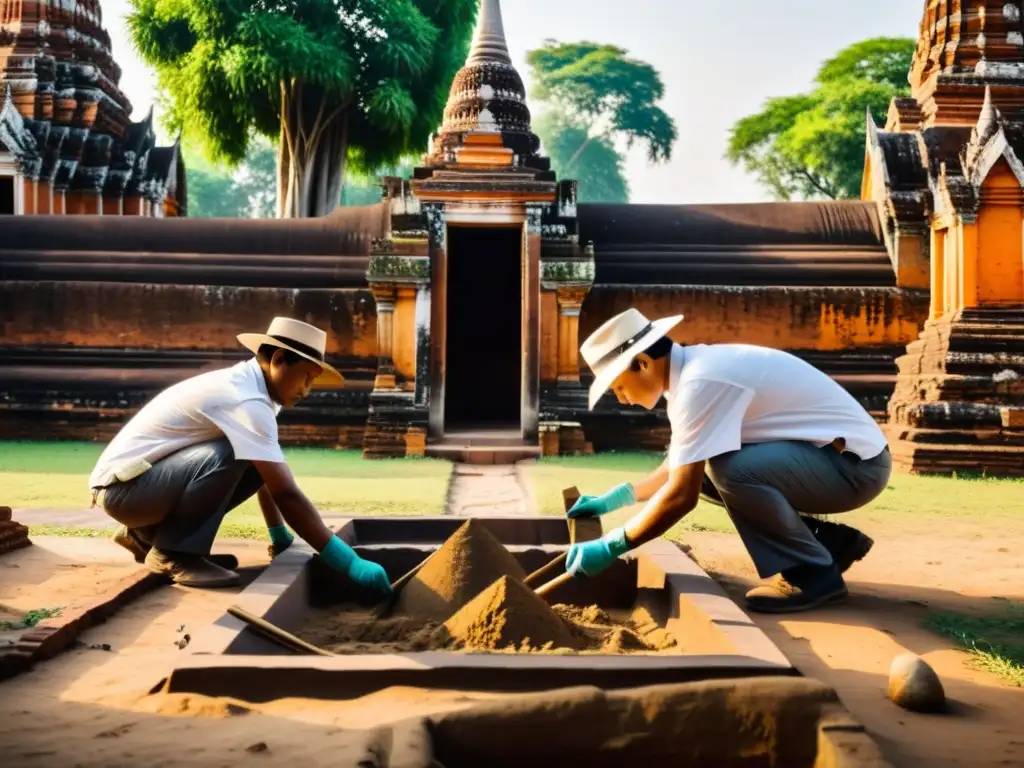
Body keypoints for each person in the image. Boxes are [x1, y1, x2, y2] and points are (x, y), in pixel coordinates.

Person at [563, 308, 892, 614]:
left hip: (855, 468)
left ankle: (814, 576)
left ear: (643, 363)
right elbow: (677, 466)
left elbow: (681, 497)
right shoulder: (691, 376)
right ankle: (827, 543)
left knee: (729, 470)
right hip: (831, 461)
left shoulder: (700, 383)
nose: (623, 398)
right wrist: (618, 498)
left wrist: (611, 545)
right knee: (705, 470)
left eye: (619, 386)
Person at [88, 316, 393, 594]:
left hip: (137, 487)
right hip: (124, 492)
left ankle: (146, 537)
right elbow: (286, 493)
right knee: (232, 452)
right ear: (279, 360)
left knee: (251, 457)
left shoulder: (255, 391)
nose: (307, 389)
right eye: (306, 377)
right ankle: (172, 553)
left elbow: (267, 476)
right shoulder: (247, 400)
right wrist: (349, 563)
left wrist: (279, 537)